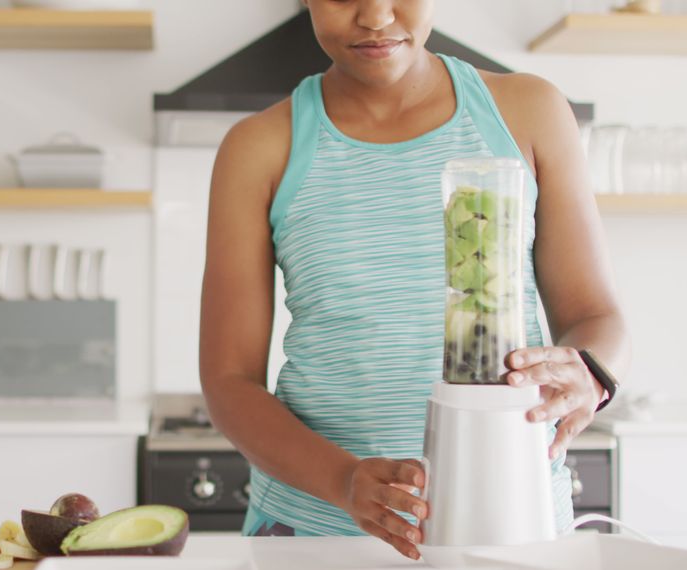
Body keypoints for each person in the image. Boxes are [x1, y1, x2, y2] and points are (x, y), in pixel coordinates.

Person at [198, 0, 631, 561]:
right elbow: (229, 380)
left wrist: (589, 371)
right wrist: (344, 481)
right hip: (313, 532)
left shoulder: (529, 111)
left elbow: (596, 316)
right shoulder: (257, 148)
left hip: (510, 516)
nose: (376, 17)